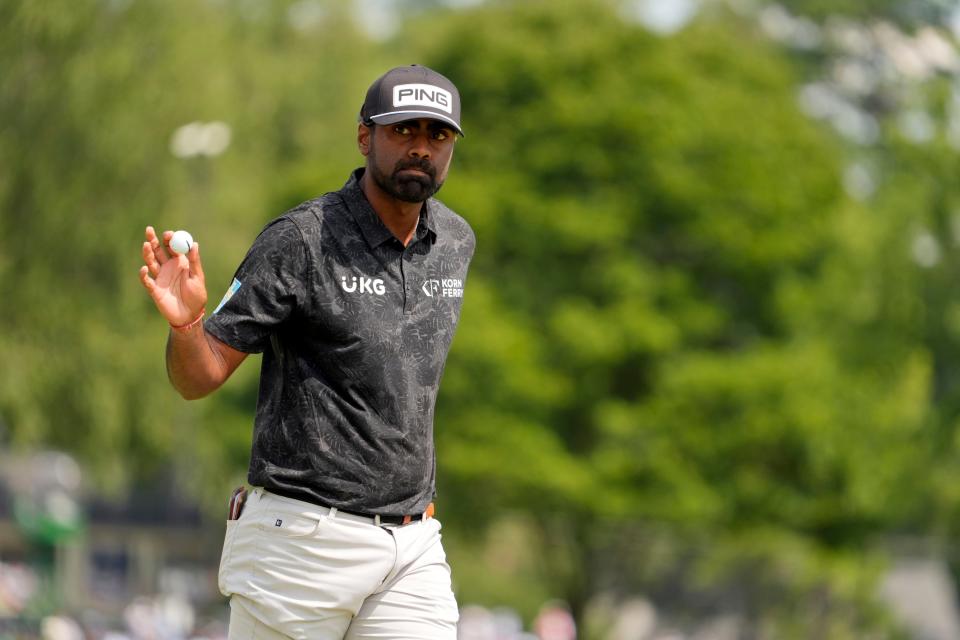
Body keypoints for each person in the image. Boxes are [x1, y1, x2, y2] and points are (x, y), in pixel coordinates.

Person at [138, 64, 475, 639]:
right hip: (299, 544)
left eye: (436, 135)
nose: (420, 148)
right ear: (365, 137)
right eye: (403, 132)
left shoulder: (455, 242)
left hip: (411, 547)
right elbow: (200, 377)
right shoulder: (300, 240)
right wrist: (188, 322)